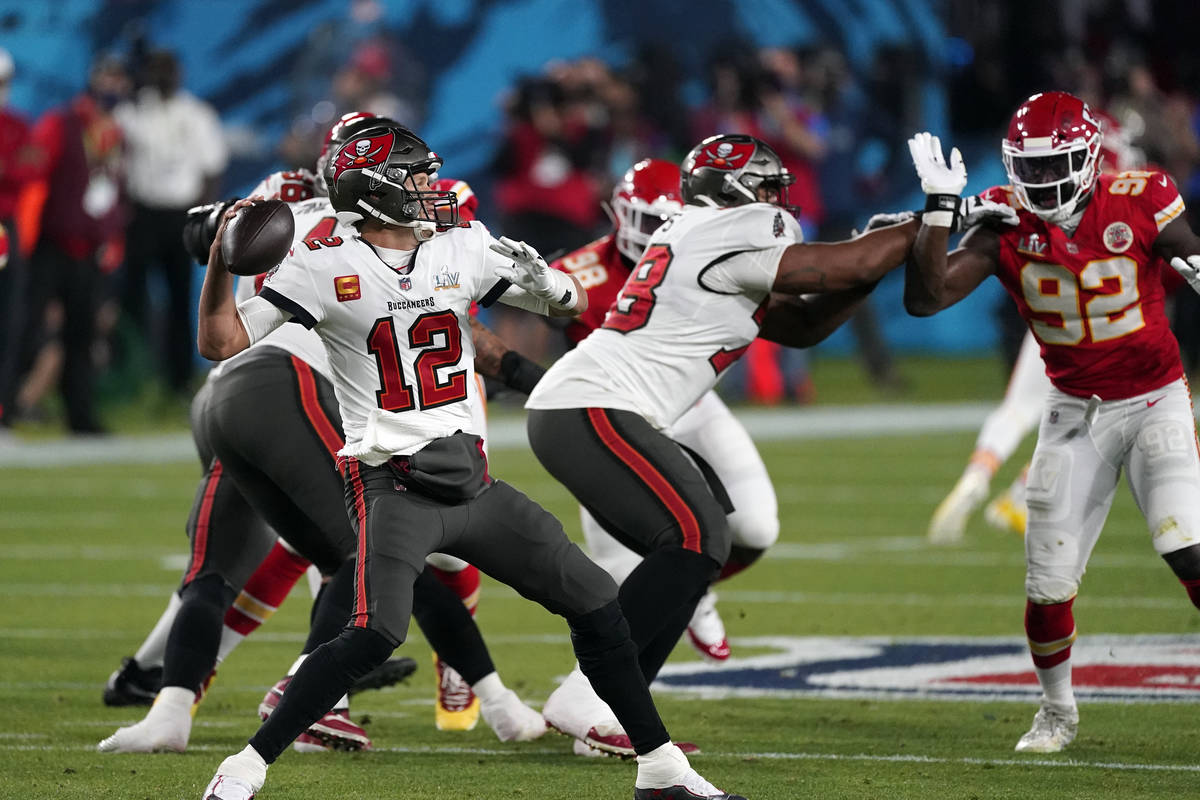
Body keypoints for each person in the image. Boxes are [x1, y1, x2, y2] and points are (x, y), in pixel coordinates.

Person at [196, 123, 744, 800]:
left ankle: (660, 770)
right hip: (390, 486)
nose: (430, 187)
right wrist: (222, 262)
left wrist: (549, 286)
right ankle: (243, 769)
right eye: (414, 176)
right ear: (375, 189)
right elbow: (222, 341)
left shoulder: (461, 246)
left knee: (597, 601)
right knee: (374, 634)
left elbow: (568, 303)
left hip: (471, 485)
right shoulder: (319, 261)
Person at [99, 114, 547, 753]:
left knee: (218, 569)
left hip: (222, 394)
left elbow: (204, 235)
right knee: (376, 553)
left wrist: (224, 234)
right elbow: (447, 317)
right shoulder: (354, 234)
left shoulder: (281, 204)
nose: (426, 191)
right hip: (286, 383)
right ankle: (342, 695)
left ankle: (166, 708)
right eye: (408, 172)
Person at [524, 134, 958, 747]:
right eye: (766, 184)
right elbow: (852, 262)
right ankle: (584, 696)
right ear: (732, 189)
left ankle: (610, 707)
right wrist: (929, 217)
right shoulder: (724, 229)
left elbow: (805, 325)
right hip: (593, 404)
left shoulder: (704, 240)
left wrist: (883, 252)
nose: (779, 197)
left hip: (594, 407)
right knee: (699, 536)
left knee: (697, 547)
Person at [904, 91, 1200, 754]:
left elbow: (1184, 246)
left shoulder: (1141, 194)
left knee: (1188, 546)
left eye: (1054, 166)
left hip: (1154, 396)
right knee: (1047, 584)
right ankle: (1057, 711)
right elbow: (928, 298)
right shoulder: (1002, 220)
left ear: (1090, 158)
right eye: (1028, 169)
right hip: (1072, 412)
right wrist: (938, 211)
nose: (1040, 182)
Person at [550, 158, 780, 671]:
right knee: (617, 580)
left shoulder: (709, 255)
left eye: (668, 221)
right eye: (650, 222)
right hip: (612, 419)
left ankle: (692, 588)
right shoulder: (576, 274)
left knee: (756, 528)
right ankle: (598, 708)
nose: (659, 232)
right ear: (621, 215)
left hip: (692, 402)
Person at [11, 54, 129, 434]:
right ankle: (8, 407)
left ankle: (80, 416)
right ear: (94, 81)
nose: (114, 87)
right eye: (109, 78)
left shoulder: (115, 133)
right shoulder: (61, 123)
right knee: (25, 326)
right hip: (52, 244)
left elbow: (115, 193)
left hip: (90, 247)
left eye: (120, 80)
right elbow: (32, 175)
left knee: (83, 335)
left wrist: (113, 237)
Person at [116, 49, 227, 397]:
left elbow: (211, 170)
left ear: (180, 74)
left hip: (182, 213)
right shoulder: (130, 114)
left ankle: (178, 382)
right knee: (133, 297)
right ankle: (131, 377)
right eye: (157, 69)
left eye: (170, 70)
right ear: (147, 73)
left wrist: (204, 218)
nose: (164, 76)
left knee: (182, 299)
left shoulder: (197, 115)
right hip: (142, 213)